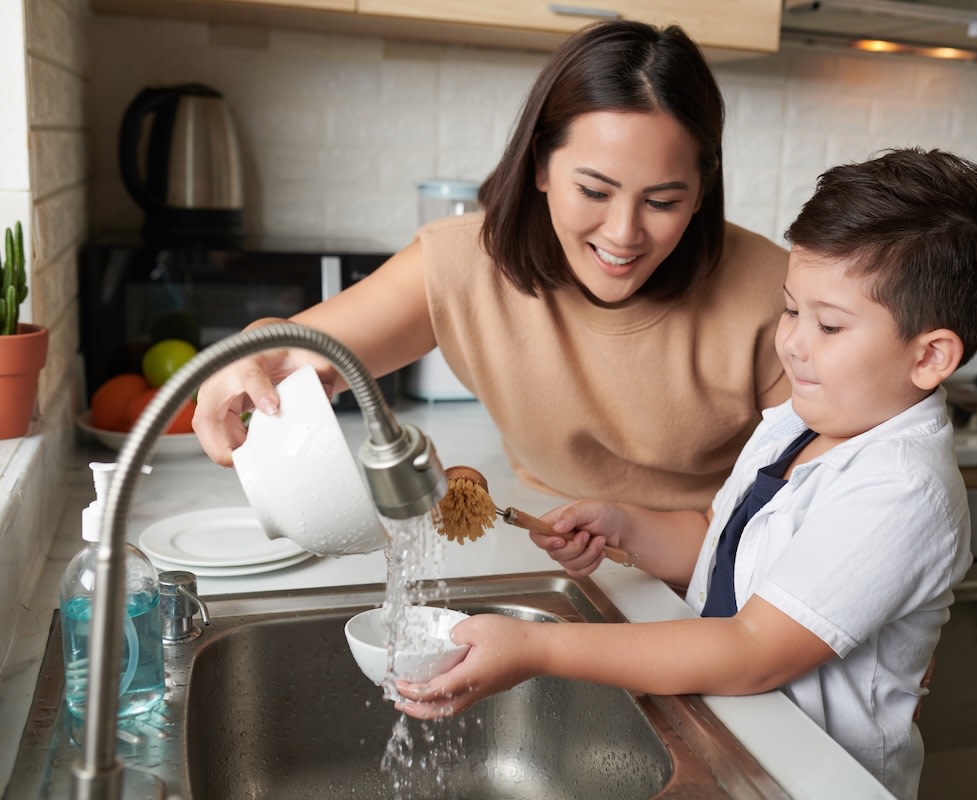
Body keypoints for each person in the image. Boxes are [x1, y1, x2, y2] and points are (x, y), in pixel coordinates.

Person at [393, 148, 977, 800]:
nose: (792, 343)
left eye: (830, 325)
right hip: (733, 733)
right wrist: (628, 526)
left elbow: (751, 650)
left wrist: (538, 649)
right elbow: (722, 543)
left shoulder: (900, 489)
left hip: (807, 777)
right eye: (790, 310)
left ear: (930, 357)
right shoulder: (801, 419)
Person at [192, 20, 790, 511]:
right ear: (539, 167)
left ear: (703, 190)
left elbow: (809, 505)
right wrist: (255, 354)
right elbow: (304, 349)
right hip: (550, 548)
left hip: (718, 578)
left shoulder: (774, 297)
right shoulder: (465, 261)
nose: (624, 233)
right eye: (594, 191)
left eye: (663, 201)